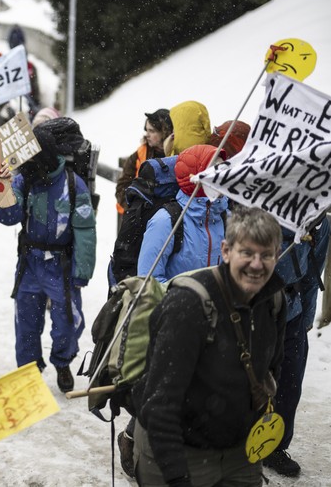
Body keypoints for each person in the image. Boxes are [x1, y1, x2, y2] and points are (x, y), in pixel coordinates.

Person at [131, 207, 286, 486]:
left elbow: (270, 370)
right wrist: (177, 477)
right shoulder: (189, 305)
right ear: (226, 251)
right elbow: (160, 405)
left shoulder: (273, 302)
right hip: (177, 447)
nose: (256, 264)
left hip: (239, 451)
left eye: (266, 255)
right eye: (247, 253)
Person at [0, 127, 96, 393]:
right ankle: (28, 370)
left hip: (60, 265)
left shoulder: (74, 185)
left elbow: (85, 230)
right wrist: (2, 186)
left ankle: (62, 362)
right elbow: (8, 217)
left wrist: (82, 271)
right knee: (26, 319)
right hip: (30, 262)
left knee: (67, 322)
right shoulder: (24, 179)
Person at [263, 218, 330, 477]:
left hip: (293, 309)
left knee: (290, 382)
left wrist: (305, 319)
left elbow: (315, 273)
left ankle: (275, 445)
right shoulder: (266, 214)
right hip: (258, 308)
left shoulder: (320, 224)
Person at [137, 144, 229, 283]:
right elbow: (148, 283)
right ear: (196, 177)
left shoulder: (226, 218)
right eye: (215, 170)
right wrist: (184, 300)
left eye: (224, 169)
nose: (223, 177)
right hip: (176, 304)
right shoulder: (166, 221)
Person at [115, 109, 173, 219]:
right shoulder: (140, 153)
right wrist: (135, 209)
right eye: (146, 130)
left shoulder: (176, 154)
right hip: (139, 216)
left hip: (167, 217)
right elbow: (122, 185)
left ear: (164, 132)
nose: (147, 135)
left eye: (152, 131)